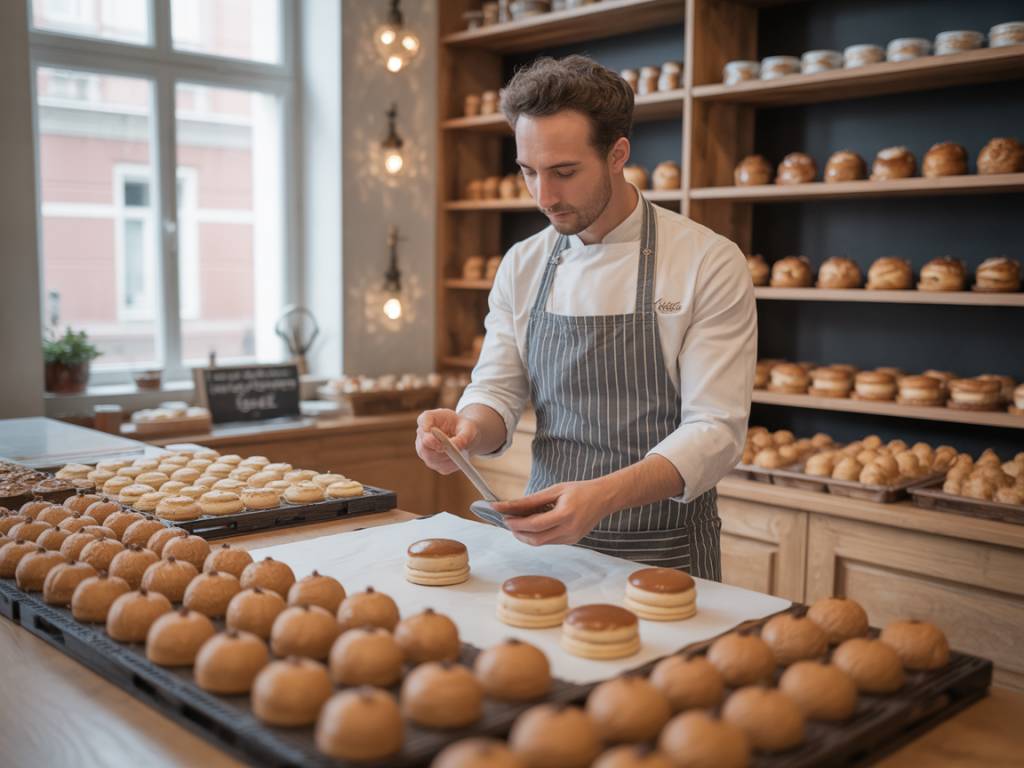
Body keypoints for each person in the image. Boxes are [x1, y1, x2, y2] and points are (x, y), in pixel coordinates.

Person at [416, 55, 755, 579]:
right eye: (529, 172)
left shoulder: (707, 261)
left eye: (564, 172)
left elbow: (715, 431)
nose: (544, 197)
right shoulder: (523, 263)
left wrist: (602, 497)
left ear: (618, 154)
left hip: (663, 552)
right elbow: (498, 391)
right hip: (544, 546)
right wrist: (465, 433)